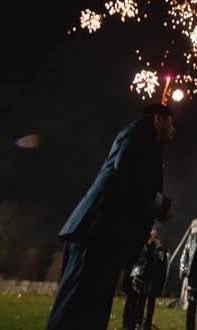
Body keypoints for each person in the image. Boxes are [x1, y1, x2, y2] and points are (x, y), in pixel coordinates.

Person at [45, 104, 174, 330]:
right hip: (97, 230)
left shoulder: (149, 142)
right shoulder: (139, 133)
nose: (174, 129)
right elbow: (127, 169)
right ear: (158, 119)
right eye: (172, 122)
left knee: (92, 314)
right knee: (75, 309)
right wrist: (158, 203)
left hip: (107, 237)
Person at [124, 228, 170, 330]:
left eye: (154, 232)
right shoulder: (144, 244)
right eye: (151, 232)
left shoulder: (159, 246)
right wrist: (148, 244)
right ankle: (138, 322)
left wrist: (158, 247)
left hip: (153, 278)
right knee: (141, 301)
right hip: (144, 277)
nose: (153, 234)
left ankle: (147, 324)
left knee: (151, 303)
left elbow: (161, 261)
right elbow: (140, 258)